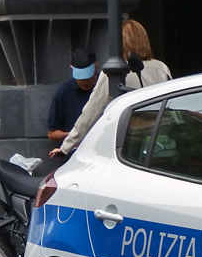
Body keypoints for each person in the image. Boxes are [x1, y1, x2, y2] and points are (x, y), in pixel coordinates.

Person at [51, 19, 172, 158]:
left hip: (132, 143)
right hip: (161, 139)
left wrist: (66, 146)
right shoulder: (161, 68)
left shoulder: (114, 72)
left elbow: (90, 112)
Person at [47, 48, 98, 143]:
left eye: (87, 77)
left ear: (96, 67)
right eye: (79, 78)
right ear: (71, 69)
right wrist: (75, 135)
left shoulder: (106, 86)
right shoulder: (63, 92)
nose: (83, 82)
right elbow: (52, 133)